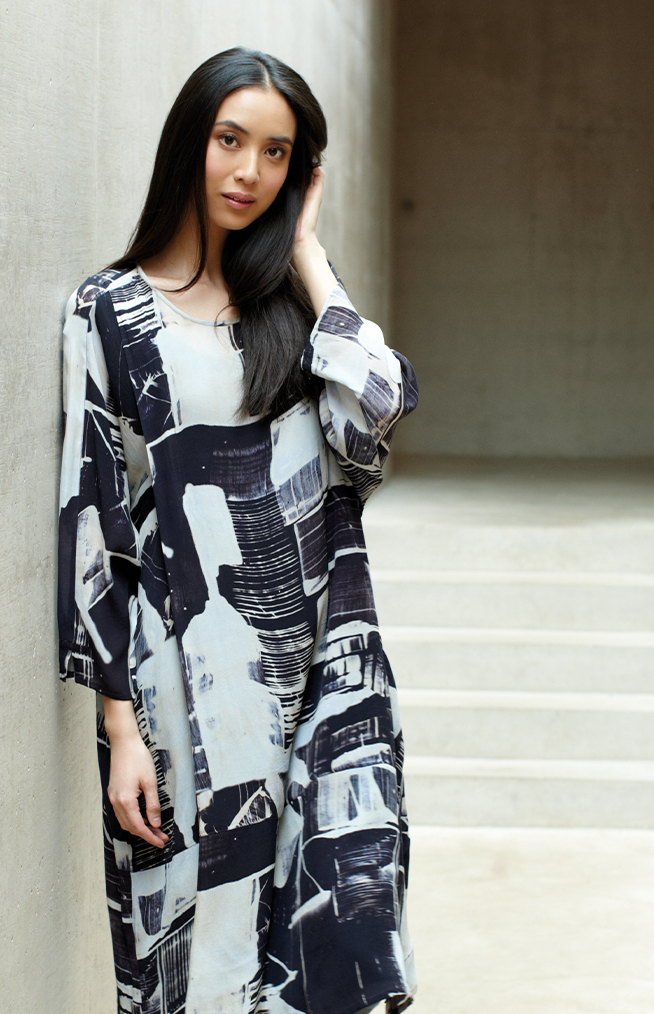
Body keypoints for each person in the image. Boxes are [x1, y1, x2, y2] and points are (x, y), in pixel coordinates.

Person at [57, 47, 418, 1014]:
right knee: (196, 959)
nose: (247, 173)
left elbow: (375, 412)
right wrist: (118, 723)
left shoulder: (296, 311)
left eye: (275, 154)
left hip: (319, 683)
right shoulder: (112, 310)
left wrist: (309, 255)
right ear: (192, 141)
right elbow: (91, 517)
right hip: (181, 682)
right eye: (229, 141)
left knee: (317, 949)